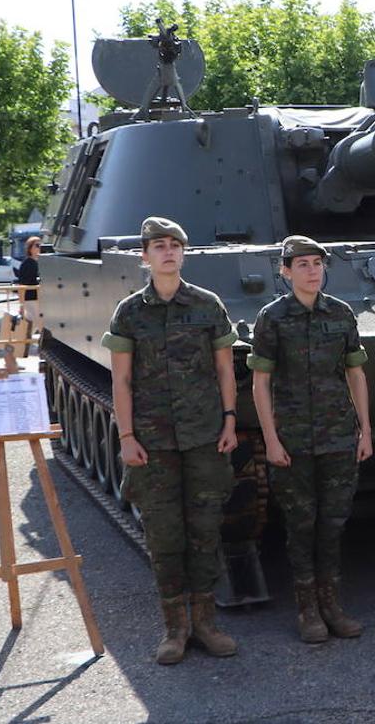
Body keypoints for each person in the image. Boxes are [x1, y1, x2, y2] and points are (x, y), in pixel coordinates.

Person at [101, 216, 240, 665]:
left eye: (174, 245)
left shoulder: (207, 304)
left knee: (204, 531)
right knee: (163, 535)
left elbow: (224, 370)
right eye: (158, 246)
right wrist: (125, 436)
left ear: (183, 253)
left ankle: (205, 622)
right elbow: (120, 381)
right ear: (144, 256)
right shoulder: (129, 312)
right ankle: (174, 628)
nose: (167, 252)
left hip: (203, 436)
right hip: (153, 441)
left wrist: (230, 421)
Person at [249, 235, 372, 644]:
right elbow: (261, 381)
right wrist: (270, 438)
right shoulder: (272, 317)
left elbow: (355, 373)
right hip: (293, 438)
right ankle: (307, 609)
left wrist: (365, 429)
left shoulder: (340, 314)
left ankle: (332, 604)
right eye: (301, 264)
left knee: (333, 524)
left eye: (317, 263)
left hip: (338, 435)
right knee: (301, 525)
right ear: (285, 271)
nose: (311, 270)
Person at [16, 236, 41, 328]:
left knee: (38, 325)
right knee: (32, 325)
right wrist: (21, 305)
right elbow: (22, 285)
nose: (40, 247)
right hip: (31, 299)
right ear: (30, 248)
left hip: (39, 299)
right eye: (37, 245)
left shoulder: (40, 262)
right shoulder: (27, 264)